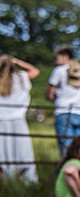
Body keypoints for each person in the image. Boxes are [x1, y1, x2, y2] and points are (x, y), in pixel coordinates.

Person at [0, 54, 40, 183]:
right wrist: (16, 60)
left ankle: (5, 181)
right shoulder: (21, 78)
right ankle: (24, 180)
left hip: (1, 122)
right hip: (19, 122)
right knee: (22, 152)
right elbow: (35, 71)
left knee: (2, 153)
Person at [46, 46, 80, 156]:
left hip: (63, 112)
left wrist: (53, 95)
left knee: (67, 150)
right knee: (79, 149)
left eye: (57, 58)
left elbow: (49, 94)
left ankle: (67, 171)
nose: (55, 60)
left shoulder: (59, 71)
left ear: (65, 57)